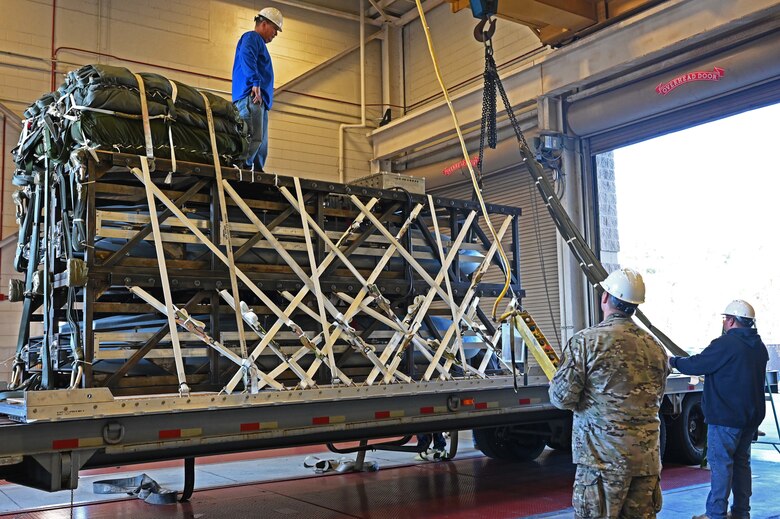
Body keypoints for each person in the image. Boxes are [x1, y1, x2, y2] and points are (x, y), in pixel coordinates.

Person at [549, 268, 669, 518]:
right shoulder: (656, 347)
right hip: (645, 463)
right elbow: (656, 396)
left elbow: (561, 398)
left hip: (601, 464)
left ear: (605, 297)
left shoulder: (586, 342)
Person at [669, 300, 769, 519]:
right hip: (749, 419)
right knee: (741, 465)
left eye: (725, 319)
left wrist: (673, 361)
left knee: (721, 467)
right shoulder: (759, 346)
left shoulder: (726, 344)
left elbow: (697, 365)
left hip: (725, 419)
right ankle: (741, 512)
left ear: (731, 321)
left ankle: (716, 514)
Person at [232, 7, 282, 172]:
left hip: (261, 101)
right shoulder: (252, 37)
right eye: (275, 29)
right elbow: (247, 55)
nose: (275, 34)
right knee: (253, 137)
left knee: (261, 143)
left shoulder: (259, 43)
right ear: (264, 24)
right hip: (252, 96)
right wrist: (255, 82)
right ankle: (243, 168)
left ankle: (258, 172)